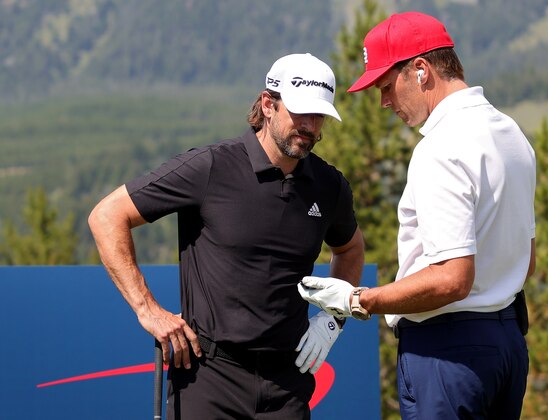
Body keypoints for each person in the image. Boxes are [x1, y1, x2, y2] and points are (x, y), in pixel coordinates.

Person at [88, 53, 364, 419]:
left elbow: (350, 248)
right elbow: (107, 215)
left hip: (288, 382)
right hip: (208, 377)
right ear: (268, 104)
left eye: (319, 116)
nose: (310, 126)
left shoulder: (329, 186)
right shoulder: (211, 166)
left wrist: (332, 320)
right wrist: (148, 310)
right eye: (300, 113)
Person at [298, 11, 536, 419]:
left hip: (448, 353)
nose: (384, 102)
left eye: (387, 86)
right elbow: (526, 262)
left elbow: (452, 279)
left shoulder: (441, 146)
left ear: (421, 70)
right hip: (508, 345)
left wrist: (359, 299)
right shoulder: (510, 132)